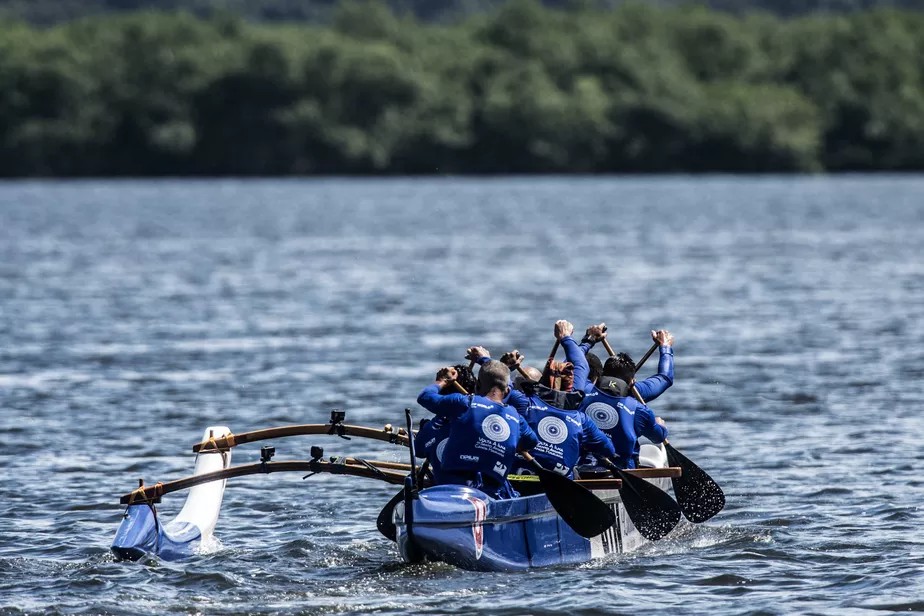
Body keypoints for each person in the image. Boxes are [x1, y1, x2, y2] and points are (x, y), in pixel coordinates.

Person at [467, 321, 614, 479]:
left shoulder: (522, 402)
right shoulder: (580, 418)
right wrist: (570, 339)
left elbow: (497, 380)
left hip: (516, 480)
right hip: (558, 484)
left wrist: (486, 360)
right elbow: (609, 450)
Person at [416, 360, 538, 499]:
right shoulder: (517, 418)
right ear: (508, 390)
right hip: (492, 495)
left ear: (477, 385)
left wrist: (442, 381)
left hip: (454, 490)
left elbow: (425, 397)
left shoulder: (464, 403)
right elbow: (531, 442)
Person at [579, 352, 668, 469]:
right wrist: (661, 426)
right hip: (622, 472)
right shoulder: (640, 410)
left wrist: (587, 340)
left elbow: (573, 362)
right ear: (632, 382)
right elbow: (658, 437)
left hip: (580, 467)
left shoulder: (580, 391)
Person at [413, 364, 476, 485]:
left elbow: (419, 451)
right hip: (480, 494)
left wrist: (441, 382)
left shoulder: (430, 428)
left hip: (446, 493)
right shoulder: (482, 416)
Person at [579, 325, 675, 402]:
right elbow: (665, 378)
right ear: (632, 382)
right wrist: (665, 347)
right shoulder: (632, 392)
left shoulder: (577, 389)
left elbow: (573, 360)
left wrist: (588, 340)